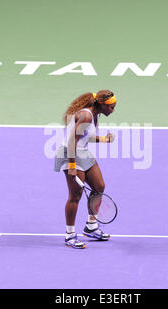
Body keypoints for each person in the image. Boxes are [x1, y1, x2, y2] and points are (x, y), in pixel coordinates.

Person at [54, 90, 117, 249]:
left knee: (99, 186)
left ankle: (91, 226)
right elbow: (71, 142)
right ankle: (70, 235)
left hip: (82, 152)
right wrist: (72, 166)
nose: (113, 110)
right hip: (70, 153)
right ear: (102, 104)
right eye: (111, 107)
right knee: (75, 195)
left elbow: (85, 136)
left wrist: (103, 139)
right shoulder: (86, 115)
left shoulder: (95, 115)